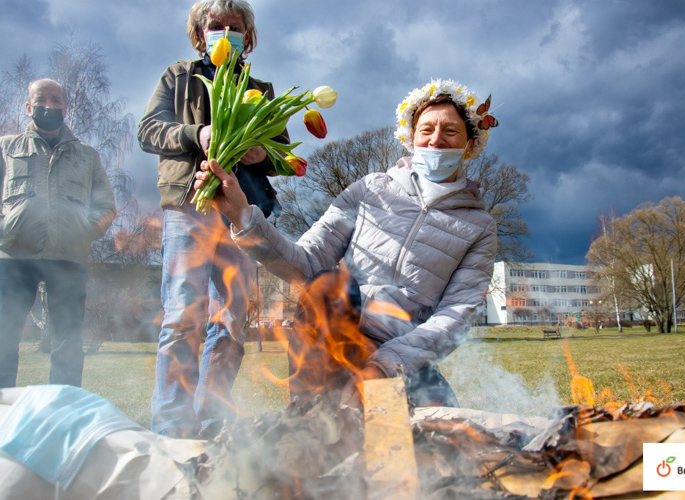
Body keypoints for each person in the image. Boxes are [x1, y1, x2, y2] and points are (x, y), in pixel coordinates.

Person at [195, 79, 499, 408]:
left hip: (399, 355)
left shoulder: (479, 227)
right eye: (426, 129)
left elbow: (453, 317)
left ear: (469, 145)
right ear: (411, 138)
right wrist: (243, 215)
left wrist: (383, 366)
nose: (436, 140)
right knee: (329, 286)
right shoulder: (370, 190)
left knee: (444, 445)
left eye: (450, 131)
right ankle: (312, 413)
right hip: (332, 337)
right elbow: (306, 262)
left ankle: (379, 413)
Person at [138, 0, 289, 438]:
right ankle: (170, 426)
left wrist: (264, 153)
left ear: (249, 35)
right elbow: (148, 130)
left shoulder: (260, 87)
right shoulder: (178, 77)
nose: (225, 32)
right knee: (184, 314)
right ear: (199, 33)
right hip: (190, 206)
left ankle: (209, 417)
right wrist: (195, 134)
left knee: (229, 320)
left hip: (242, 213)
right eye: (215, 25)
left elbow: (283, 154)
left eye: (235, 26)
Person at [0, 78, 116, 388]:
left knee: (67, 343)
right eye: (42, 100)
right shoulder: (6, 148)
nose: (49, 106)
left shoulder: (87, 156)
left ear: (66, 107)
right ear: (28, 107)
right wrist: (5, 231)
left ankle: (63, 414)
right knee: (3, 337)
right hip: (14, 257)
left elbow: (106, 207)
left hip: (68, 259)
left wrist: (84, 234)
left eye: (56, 100)